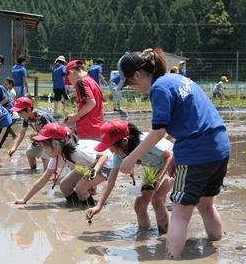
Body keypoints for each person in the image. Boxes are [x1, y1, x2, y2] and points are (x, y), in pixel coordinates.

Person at [116, 48, 230, 259]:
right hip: (220, 148)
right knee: (206, 205)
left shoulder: (158, 89)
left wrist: (131, 158)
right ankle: (216, 253)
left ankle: (170, 259)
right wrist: (177, 155)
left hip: (197, 151)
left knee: (180, 213)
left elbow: (159, 131)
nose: (130, 87)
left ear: (138, 75)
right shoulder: (177, 79)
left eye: (129, 82)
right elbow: (192, 119)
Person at [86, 120, 174, 234]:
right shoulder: (120, 154)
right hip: (153, 168)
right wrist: (99, 206)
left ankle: (165, 236)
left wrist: (159, 178)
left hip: (173, 163)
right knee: (139, 205)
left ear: (124, 141)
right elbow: (110, 181)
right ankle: (144, 236)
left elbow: (169, 156)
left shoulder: (146, 142)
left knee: (157, 199)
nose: (113, 153)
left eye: (113, 149)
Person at [14, 122, 114, 207]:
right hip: (89, 163)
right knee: (64, 186)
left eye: (45, 147)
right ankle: (78, 205)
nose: (45, 151)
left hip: (106, 163)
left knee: (80, 187)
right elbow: (42, 180)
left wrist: (95, 171)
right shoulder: (57, 157)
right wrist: (24, 200)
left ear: (56, 144)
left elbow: (103, 156)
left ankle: (90, 209)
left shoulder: (77, 152)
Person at [8, 97, 56, 172]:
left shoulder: (42, 117)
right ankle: (33, 172)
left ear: (29, 110)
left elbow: (51, 132)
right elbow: (22, 133)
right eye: (18, 113)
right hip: (41, 138)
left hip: (52, 138)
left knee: (45, 156)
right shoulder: (26, 118)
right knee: (29, 153)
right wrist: (14, 147)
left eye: (20, 112)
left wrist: (41, 141)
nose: (19, 115)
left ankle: (48, 176)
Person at [64, 60, 104, 139]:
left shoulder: (81, 82)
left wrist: (75, 118)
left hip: (86, 131)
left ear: (72, 72)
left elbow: (91, 103)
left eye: (69, 79)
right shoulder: (94, 83)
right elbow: (101, 110)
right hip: (97, 130)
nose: (71, 83)